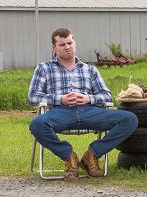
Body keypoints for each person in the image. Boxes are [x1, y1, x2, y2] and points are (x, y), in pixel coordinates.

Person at [28, 28, 138, 180]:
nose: (67, 47)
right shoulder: (44, 68)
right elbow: (33, 97)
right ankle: (69, 156)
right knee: (36, 125)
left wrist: (88, 99)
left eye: (70, 42)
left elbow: (106, 95)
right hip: (61, 112)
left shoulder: (90, 69)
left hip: (89, 111)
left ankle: (92, 155)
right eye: (62, 44)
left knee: (130, 119)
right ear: (54, 47)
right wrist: (61, 99)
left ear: (74, 43)